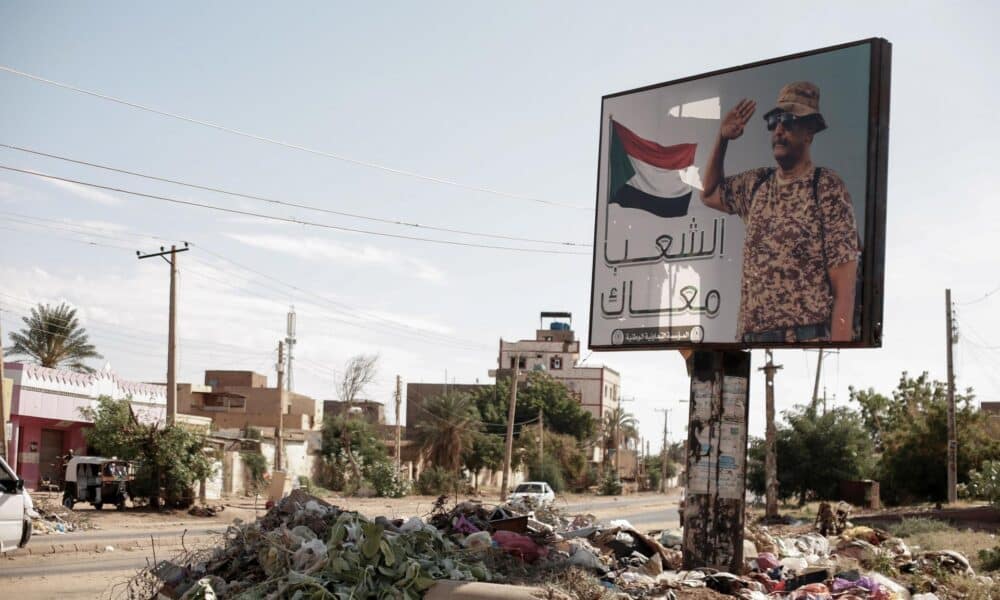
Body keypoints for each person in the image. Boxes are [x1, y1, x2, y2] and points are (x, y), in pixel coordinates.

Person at [701, 82, 860, 343]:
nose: (779, 130)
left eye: (789, 121)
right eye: (774, 121)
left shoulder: (825, 186)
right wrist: (722, 139)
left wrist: (842, 346)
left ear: (809, 131)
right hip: (752, 342)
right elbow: (708, 193)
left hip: (803, 341)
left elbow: (844, 287)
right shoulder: (757, 184)